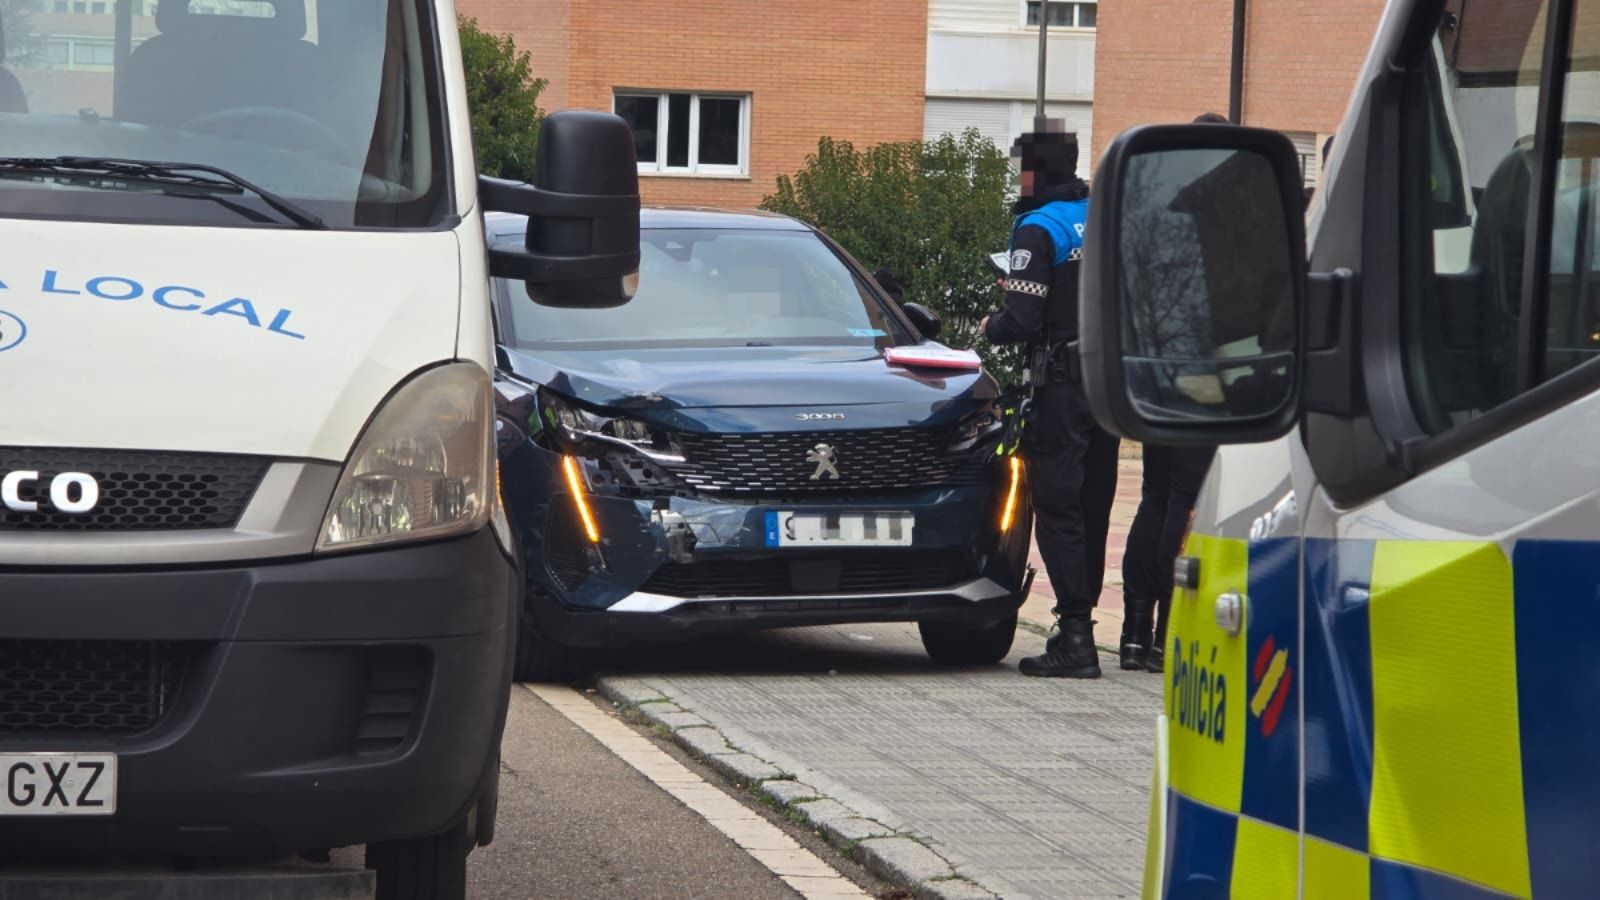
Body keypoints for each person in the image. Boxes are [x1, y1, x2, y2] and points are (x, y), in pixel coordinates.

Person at [979, 120, 1120, 679]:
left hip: (1061, 386)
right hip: (1108, 386)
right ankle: (1091, 632)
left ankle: (1076, 638)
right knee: (1095, 505)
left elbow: (1022, 320)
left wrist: (993, 321)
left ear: (1033, 171)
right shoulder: (1103, 215)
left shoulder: (1037, 228)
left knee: (1057, 508)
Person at [1117, 113, 1231, 673]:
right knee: (1183, 504)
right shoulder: (1219, 222)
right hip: (1203, 382)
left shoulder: (1161, 216)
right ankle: (1166, 633)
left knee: (1155, 498)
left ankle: (1134, 634)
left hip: (1156, 377)